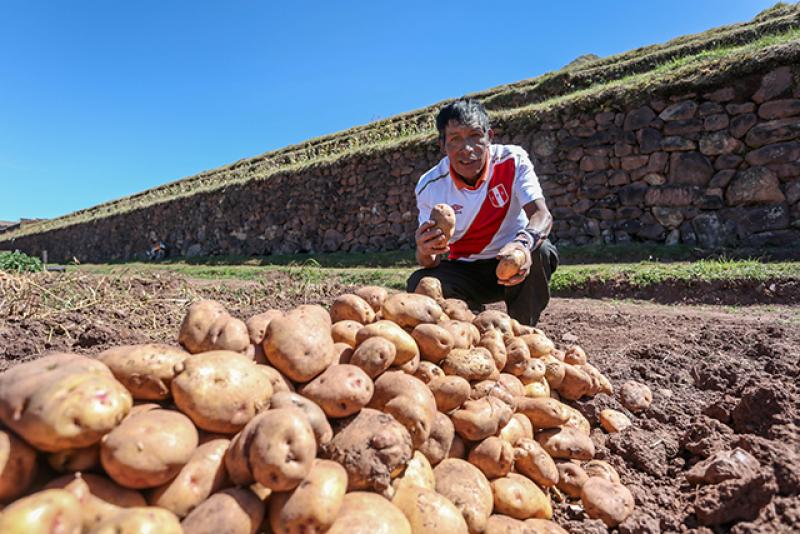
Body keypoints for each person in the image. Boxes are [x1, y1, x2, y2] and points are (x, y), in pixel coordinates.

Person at [407, 99, 558, 326]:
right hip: (465, 271)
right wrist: (425, 250)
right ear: (442, 145)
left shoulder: (512, 160)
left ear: (489, 137)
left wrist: (522, 244)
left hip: (511, 261)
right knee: (420, 281)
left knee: (541, 250)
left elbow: (541, 215)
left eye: (475, 136)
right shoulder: (430, 186)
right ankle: (469, 323)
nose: (467, 148)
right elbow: (430, 260)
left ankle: (523, 330)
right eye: (455, 139)